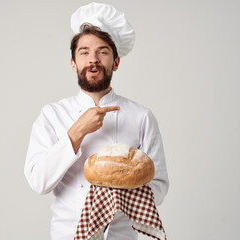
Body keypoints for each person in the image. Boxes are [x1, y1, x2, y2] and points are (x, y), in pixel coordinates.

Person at [24, 2, 169, 240]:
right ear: (73, 63)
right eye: (84, 52)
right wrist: (76, 132)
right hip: (67, 235)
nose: (93, 59)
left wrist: (119, 189)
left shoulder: (141, 116)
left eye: (102, 52)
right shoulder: (52, 115)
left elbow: (160, 186)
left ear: (116, 62)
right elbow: (38, 182)